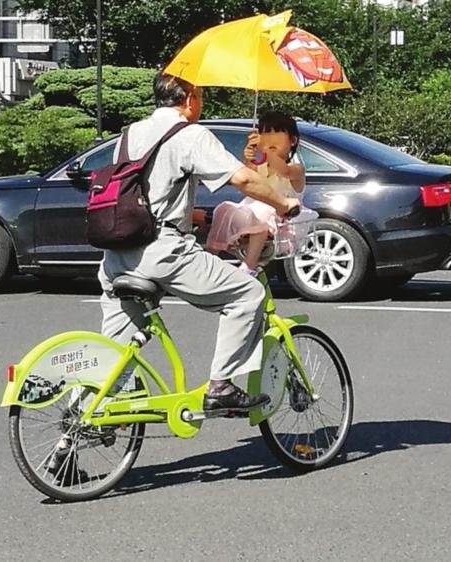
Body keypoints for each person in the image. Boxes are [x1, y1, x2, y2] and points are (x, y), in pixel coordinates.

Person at [98, 72, 300, 413]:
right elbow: (243, 178)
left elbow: (139, 194)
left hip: (116, 254)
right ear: (189, 98)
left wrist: (194, 217)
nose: (201, 105)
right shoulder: (189, 134)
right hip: (163, 252)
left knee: (113, 350)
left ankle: (87, 414)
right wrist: (284, 204)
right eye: (201, 97)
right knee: (247, 294)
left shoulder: (130, 133)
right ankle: (220, 386)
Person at [206, 111, 306, 275]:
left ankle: (249, 265)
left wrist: (265, 149)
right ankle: (213, 253)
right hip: (254, 218)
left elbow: (284, 170)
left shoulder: (296, 169)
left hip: (281, 226)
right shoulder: (261, 167)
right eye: (266, 136)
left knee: (262, 209)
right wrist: (249, 157)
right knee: (223, 208)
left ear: (292, 141)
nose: (270, 141)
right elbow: (248, 179)